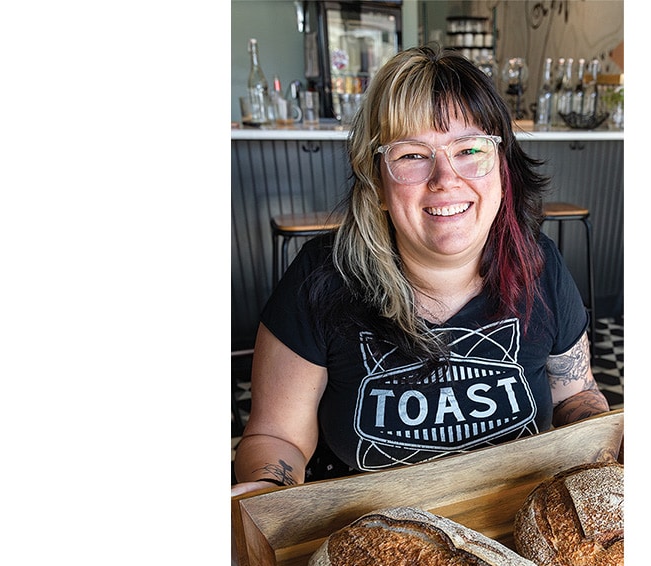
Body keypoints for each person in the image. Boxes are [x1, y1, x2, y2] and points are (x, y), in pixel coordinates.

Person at [232, 45, 609, 495]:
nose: (446, 178)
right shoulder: (321, 277)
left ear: (502, 170)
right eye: (412, 155)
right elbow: (278, 436)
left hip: (513, 527)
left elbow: (576, 394)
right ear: (375, 183)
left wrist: (609, 454)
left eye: (470, 148)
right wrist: (266, 498)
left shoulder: (539, 266)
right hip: (365, 533)